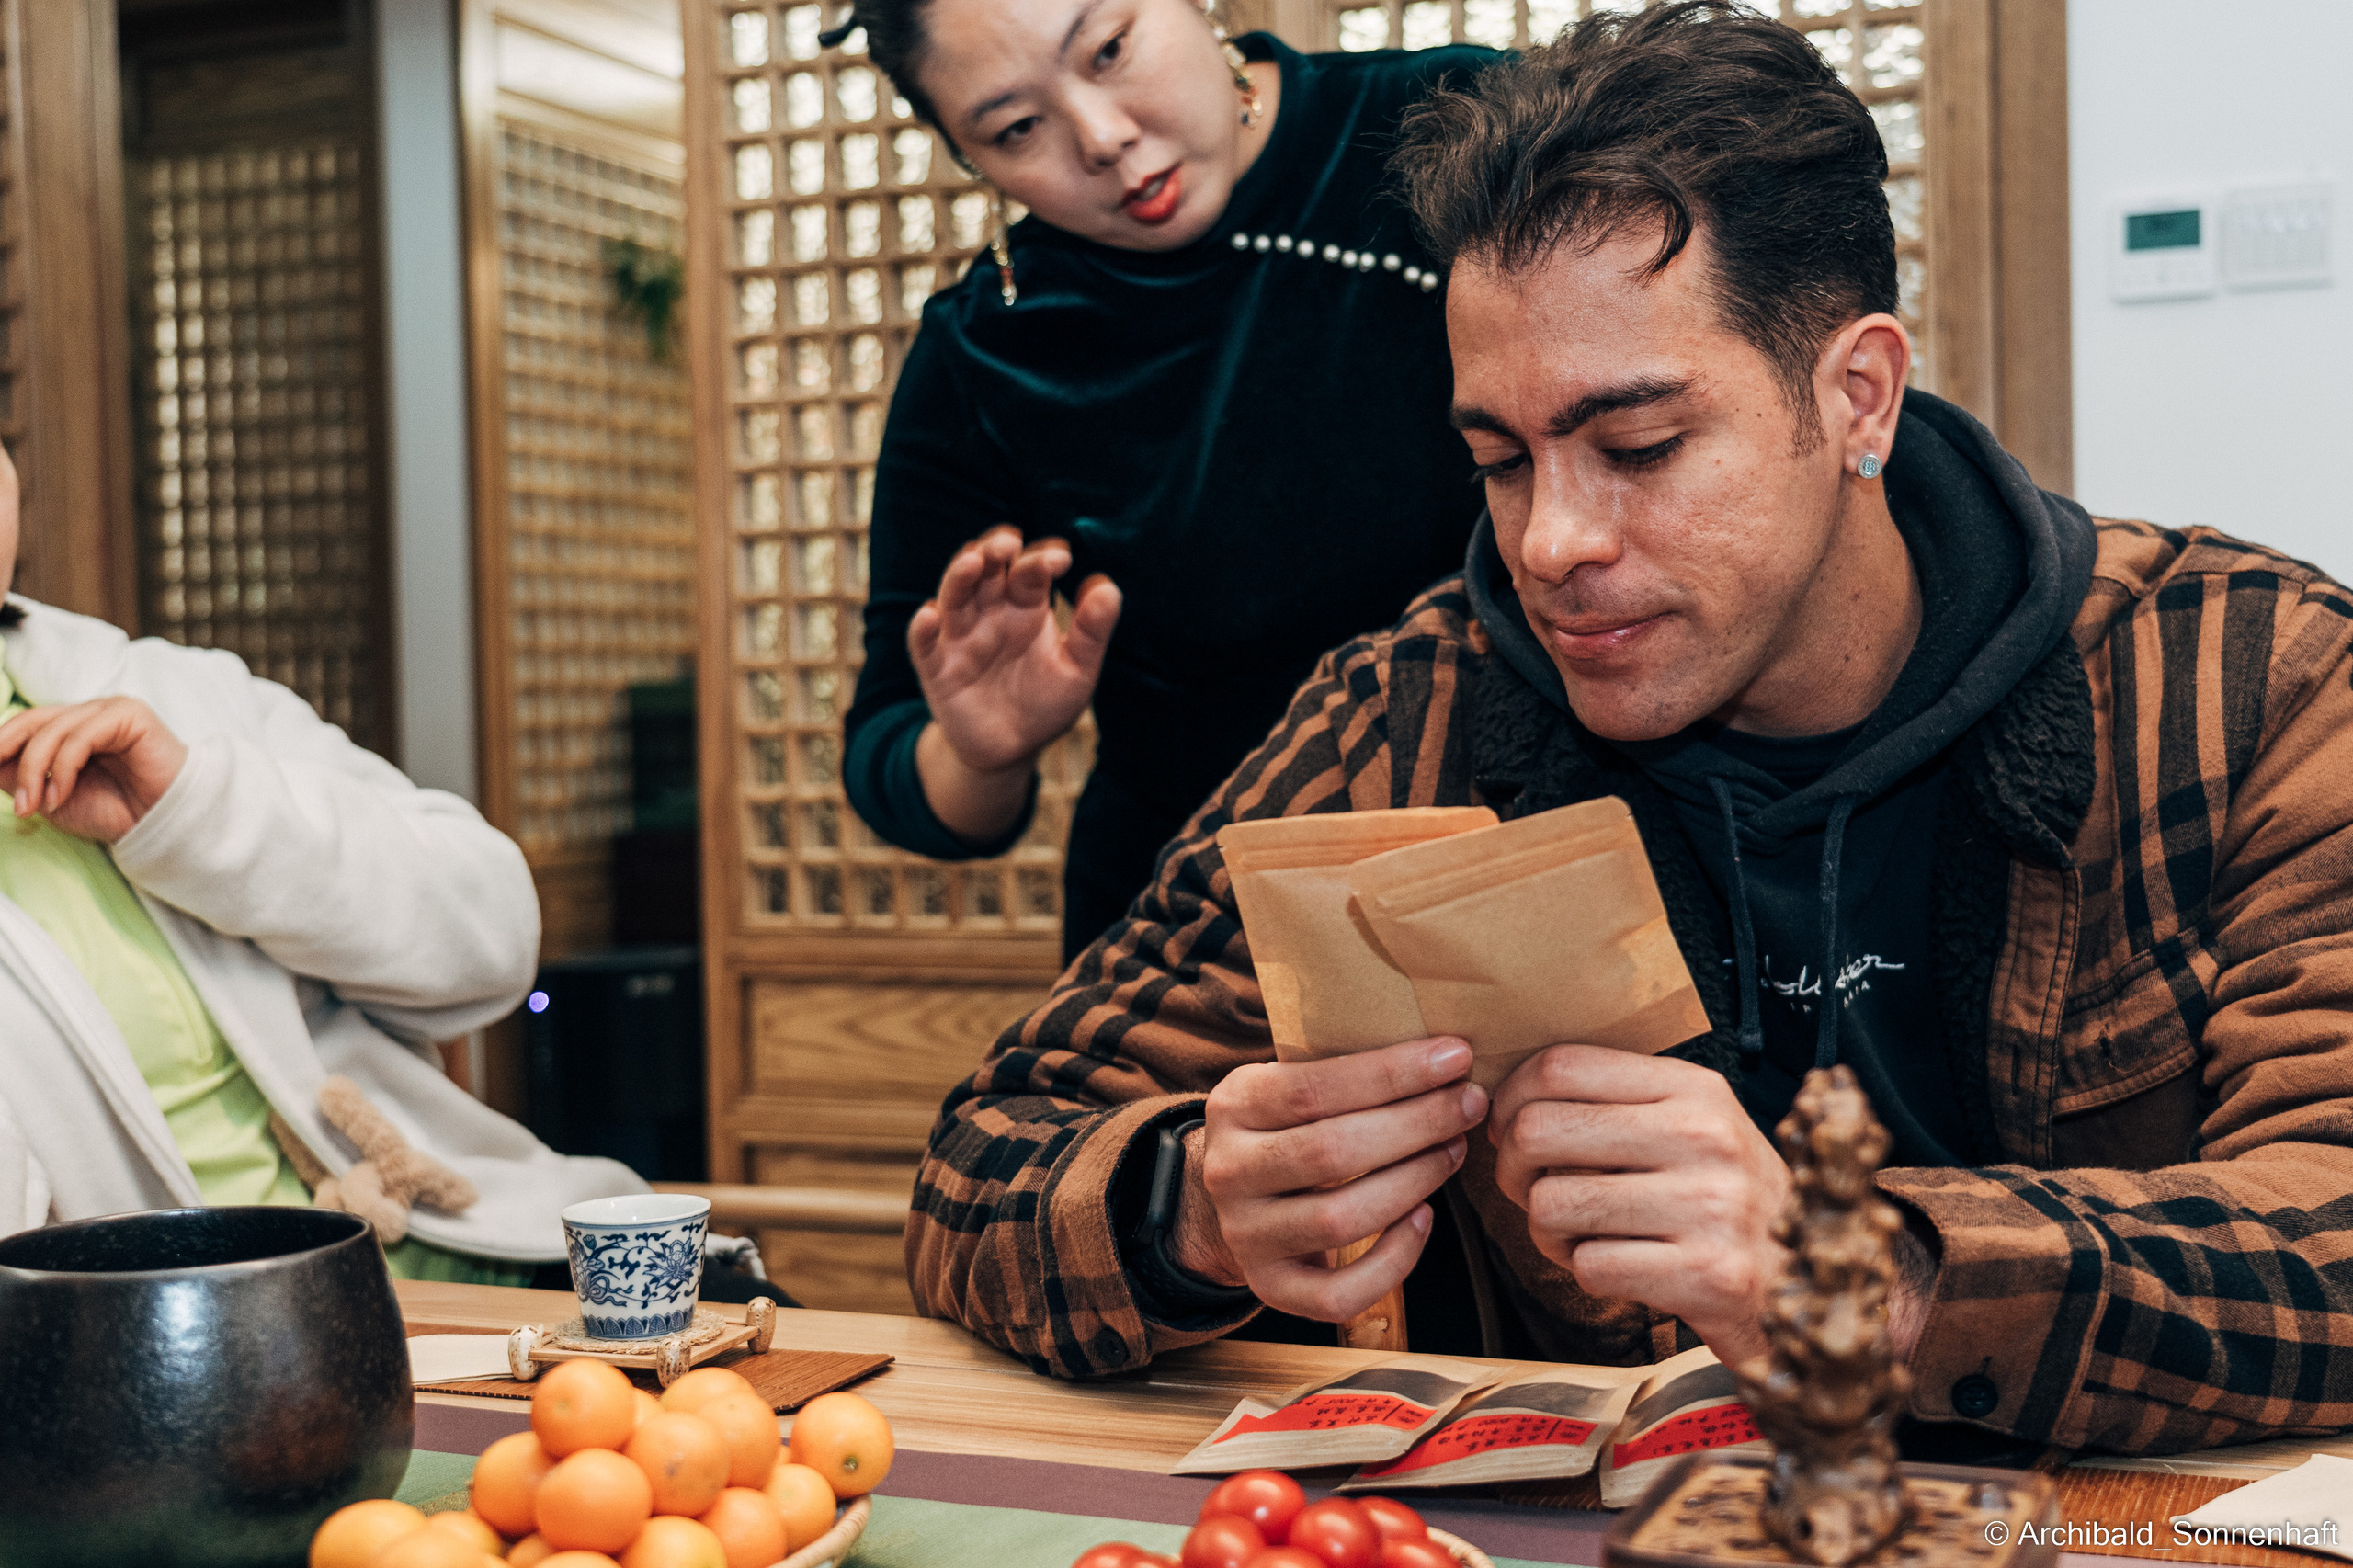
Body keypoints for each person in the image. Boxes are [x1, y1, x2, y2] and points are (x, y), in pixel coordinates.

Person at [906, 1, 2353, 1460]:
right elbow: (983, 1161)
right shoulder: (1415, 710)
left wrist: (1867, 1271)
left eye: (1640, 447)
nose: (1553, 542)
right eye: (1499, 461)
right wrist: (1187, 1206)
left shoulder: (2252, 686)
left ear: (1857, 394)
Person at [836, 0, 1495, 958]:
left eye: (1108, 50)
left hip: (1532, 848)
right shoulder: (988, 347)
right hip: (1199, 936)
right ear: (968, 158)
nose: (1102, 139)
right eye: (1017, 129)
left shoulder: (1452, 123)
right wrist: (982, 748)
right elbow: (893, 762)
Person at [0, 442, 642, 1279]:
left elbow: (494, 943)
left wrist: (198, 816)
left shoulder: (166, 691)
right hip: (176, 1368)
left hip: (490, 1270)